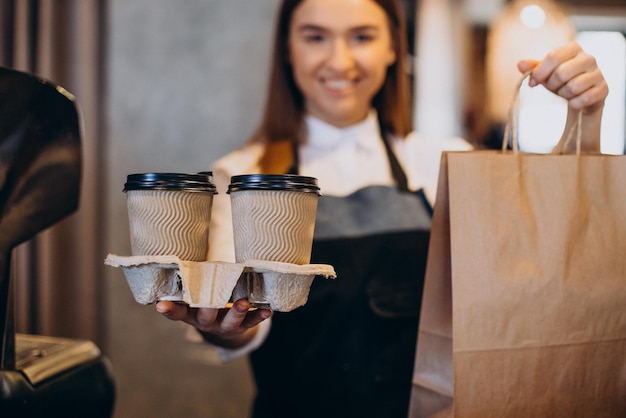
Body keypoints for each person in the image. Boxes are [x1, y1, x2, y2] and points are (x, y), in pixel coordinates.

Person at [155, 0, 609, 417]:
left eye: (362, 37)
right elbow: (243, 323)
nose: (340, 60)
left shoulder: (439, 161)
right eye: (315, 37)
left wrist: (584, 117)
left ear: (393, 47)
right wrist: (222, 324)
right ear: (288, 51)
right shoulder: (243, 176)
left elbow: (542, 268)